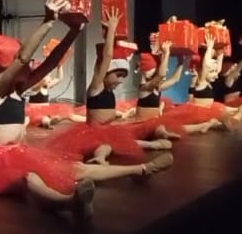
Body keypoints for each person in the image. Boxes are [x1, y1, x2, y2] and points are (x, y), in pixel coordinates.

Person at [0, 0, 172, 220]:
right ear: (5, 70)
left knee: (75, 168)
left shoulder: (18, 90)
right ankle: (69, 203)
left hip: (19, 153)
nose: (29, 69)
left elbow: (51, 62)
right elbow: (22, 57)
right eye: (23, 68)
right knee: (29, 180)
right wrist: (47, 21)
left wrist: (74, 32)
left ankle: (142, 169)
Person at [45, 10, 176, 162]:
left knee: (114, 143)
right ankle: (103, 156)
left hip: (108, 132)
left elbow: (160, 74)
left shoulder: (108, 90)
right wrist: (112, 30)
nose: (120, 81)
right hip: (93, 134)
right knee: (104, 145)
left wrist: (165, 54)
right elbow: (107, 57)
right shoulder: (96, 87)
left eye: (123, 77)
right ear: (106, 72)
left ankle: (149, 145)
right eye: (118, 75)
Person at [161, 32, 242, 134]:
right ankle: (223, 121)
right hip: (198, 112)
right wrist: (209, 47)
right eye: (212, 72)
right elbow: (206, 65)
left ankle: (218, 122)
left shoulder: (208, 82)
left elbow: (218, 69)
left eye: (215, 72)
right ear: (204, 72)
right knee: (225, 119)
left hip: (209, 110)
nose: (216, 75)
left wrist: (221, 52)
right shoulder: (202, 82)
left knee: (226, 119)